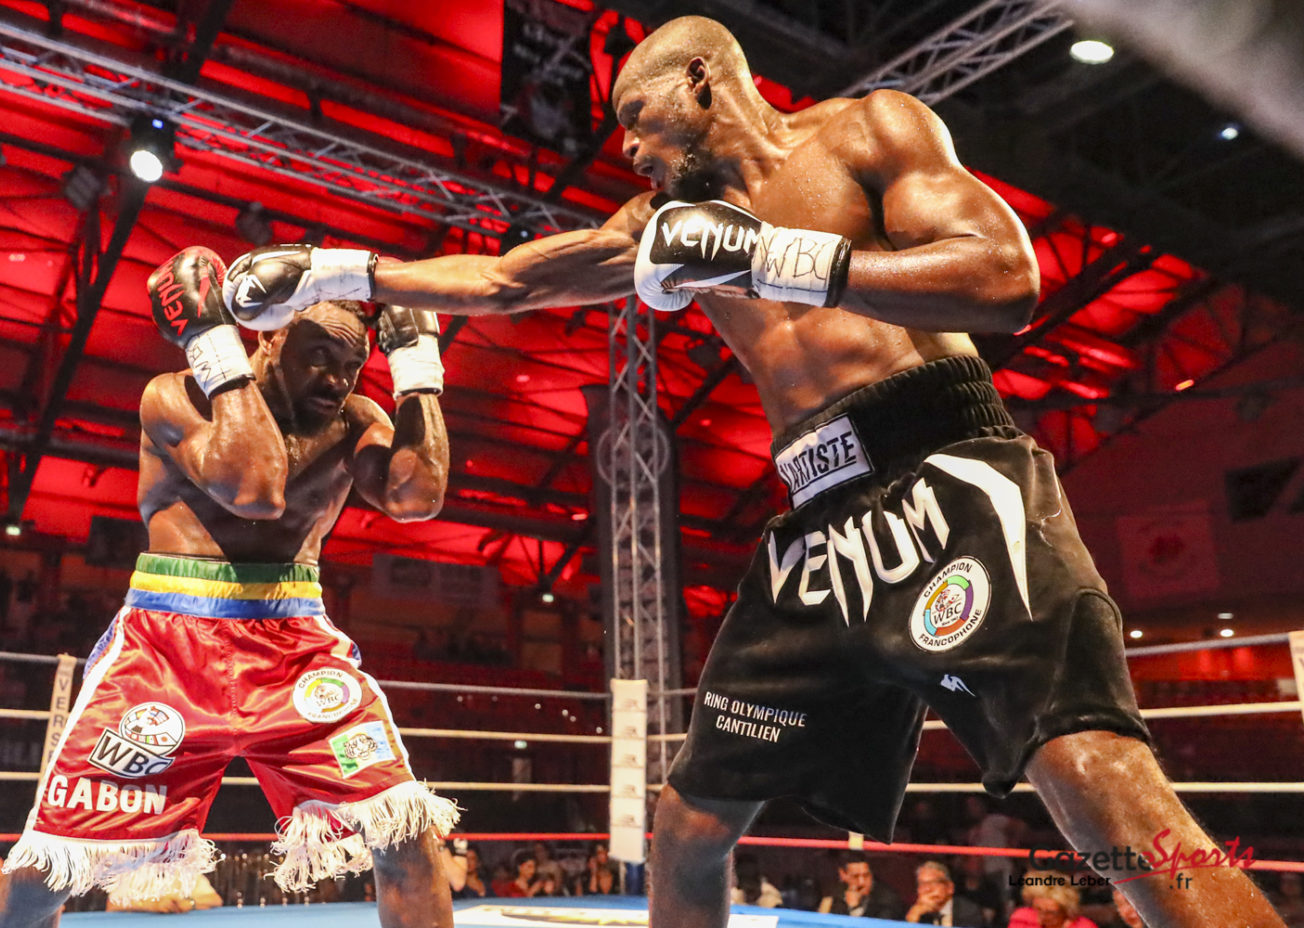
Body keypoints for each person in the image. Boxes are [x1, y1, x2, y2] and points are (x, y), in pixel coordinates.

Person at [220, 15, 1286, 928]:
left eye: (637, 119)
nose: (628, 149)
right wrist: (337, 267)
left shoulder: (873, 130)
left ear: (701, 81)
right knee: (684, 827)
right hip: (819, 529)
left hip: (947, 471)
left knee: (1091, 778)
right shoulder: (658, 228)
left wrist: (774, 258)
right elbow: (505, 278)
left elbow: (1007, 279)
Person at [0, 247, 458, 928]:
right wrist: (210, 343)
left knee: (404, 832)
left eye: (353, 362)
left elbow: (418, 497)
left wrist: (417, 372)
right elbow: (254, 490)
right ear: (270, 332)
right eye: (321, 353)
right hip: (166, 649)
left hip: (296, 647)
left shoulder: (356, 419)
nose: (339, 375)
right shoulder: (174, 395)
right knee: (51, 861)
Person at [816, 852, 903, 919]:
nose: (861, 882)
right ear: (843, 875)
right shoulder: (835, 893)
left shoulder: (887, 899)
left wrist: (854, 908)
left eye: (866, 875)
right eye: (855, 876)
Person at [904, 860, 985, 927]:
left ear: (950, 888)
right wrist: (912, 920)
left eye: (934, 883)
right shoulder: (916, 913)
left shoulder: (969, 911)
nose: (927, 889)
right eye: (921, 884)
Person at [1007, 873, 1096, 928]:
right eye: (1038, 909)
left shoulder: (1084, 926)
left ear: (1066, 911)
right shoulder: (1022, 918)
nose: (1042, 916)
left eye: (1050, 912)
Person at [105, 873, 222, 914]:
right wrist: (152, 906)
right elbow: (113, 905)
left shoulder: (185, 870)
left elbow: (215, 899)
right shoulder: (135, 870)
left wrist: (189, 903)